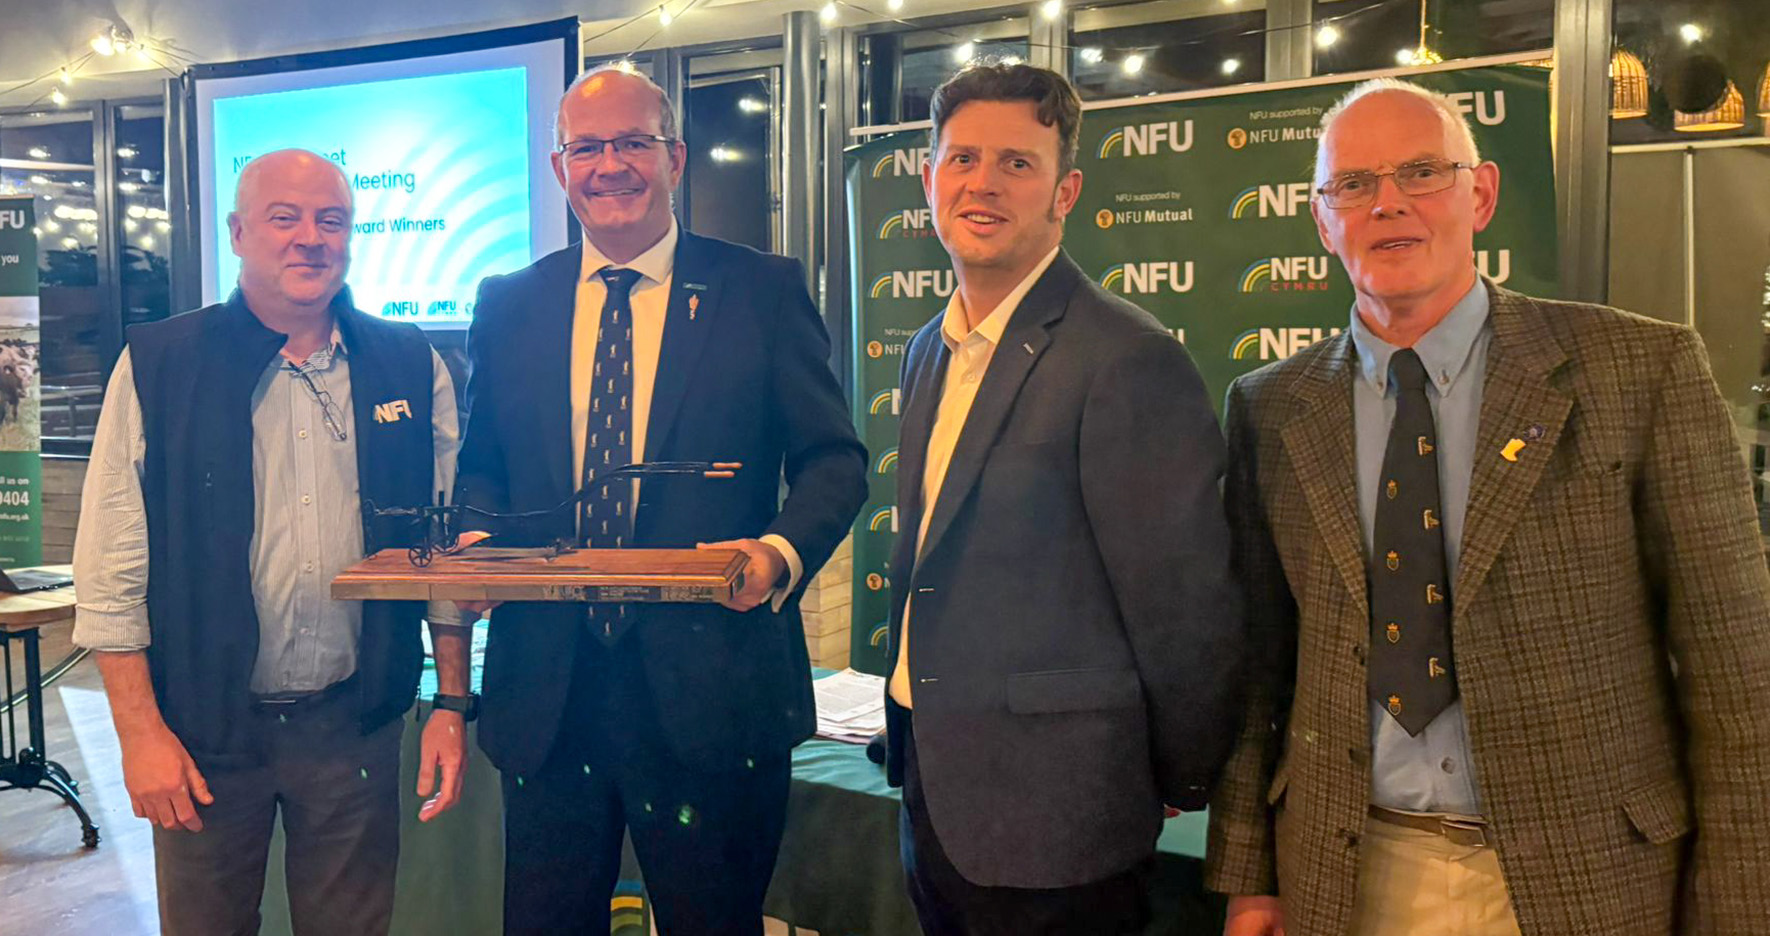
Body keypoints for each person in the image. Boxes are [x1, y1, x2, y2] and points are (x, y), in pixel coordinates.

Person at [1208, 78, 1770, 936]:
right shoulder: (1270, 405)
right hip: (1346, 877)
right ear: (1322, 220)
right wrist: (1250, 877)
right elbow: (1259, 665)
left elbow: (1737, 675)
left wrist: (1740, 911)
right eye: (1352, 184)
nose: (1388, 203)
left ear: (1481, 194)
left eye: (1422, 172)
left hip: (1590, 879)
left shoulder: (1637, 369)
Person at [454, 65, 867, 934]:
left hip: (714, 689)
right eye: (586, 148)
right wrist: (483, 539)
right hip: (549, 694)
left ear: (675, 158)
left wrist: (777, 554)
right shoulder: (509, 303)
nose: (610, 165)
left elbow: (834, 460)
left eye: (633, 143)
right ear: (560, 168)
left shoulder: (762, 291)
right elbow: (484, 465)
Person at [883, 62, 1243, 935]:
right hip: (934, 793)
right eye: (963, 158)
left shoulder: (1126, 357)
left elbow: (1184, 609)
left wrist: (1170, 775)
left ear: (1065, 191)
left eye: (1017, 163)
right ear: (930, 179)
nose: (983, 183)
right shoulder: (929, 349)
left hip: (1063, 819)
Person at [72, 148, 469, 935]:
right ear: (237, 232)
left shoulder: (408, 363)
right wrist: (141, 735)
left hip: (353, 726)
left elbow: (443, 553)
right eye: (285, 218)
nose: (310, 238)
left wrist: (451, 702)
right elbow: (111, 567)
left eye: (331, 220)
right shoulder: (159, 364)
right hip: (203, 735)